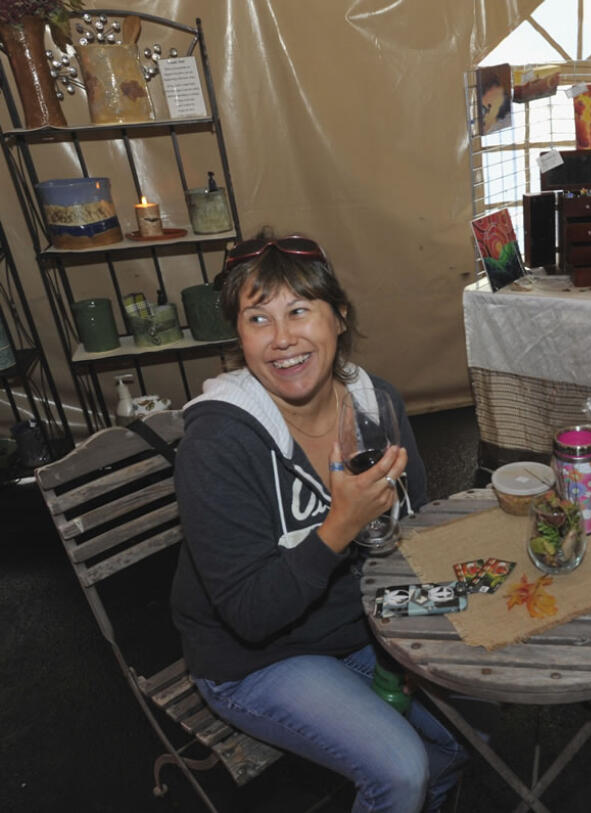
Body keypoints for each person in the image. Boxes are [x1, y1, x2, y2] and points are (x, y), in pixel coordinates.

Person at [170, 231, 465, 812]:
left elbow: (416, 531)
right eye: (258, 319)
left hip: (362, 623)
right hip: (257, 657)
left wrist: (415, 641)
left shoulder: (376, 404)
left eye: (300, 311)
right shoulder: (218, 442)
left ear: (339, 318)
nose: (282, 340)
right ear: (239, 335)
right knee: (402, 770)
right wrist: (338, 526)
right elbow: (250, 616)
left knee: (465, 734)